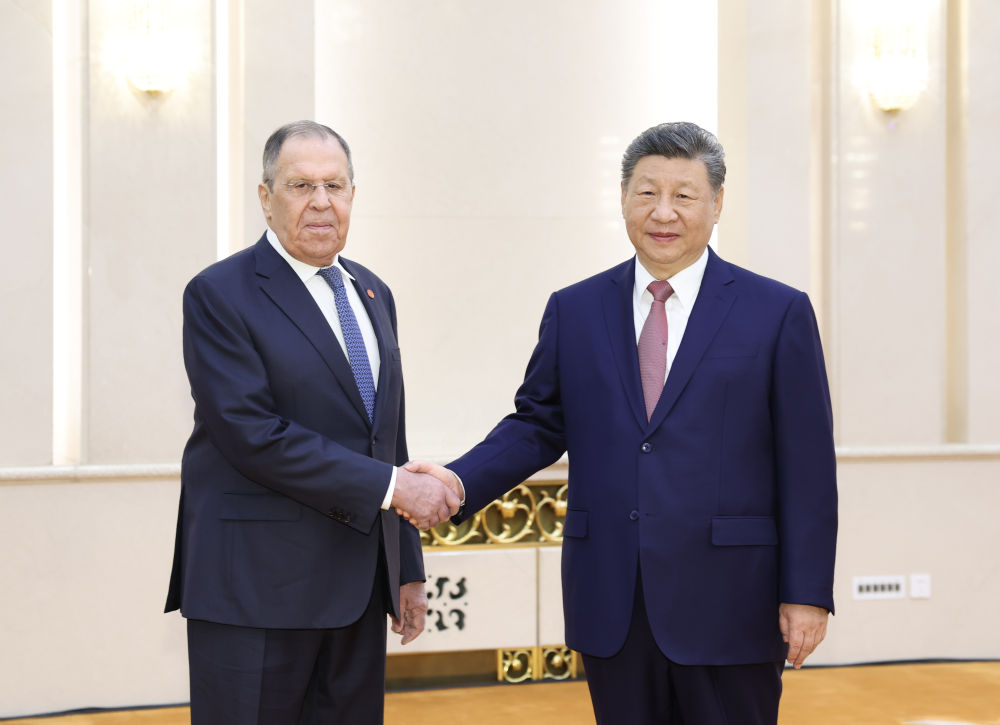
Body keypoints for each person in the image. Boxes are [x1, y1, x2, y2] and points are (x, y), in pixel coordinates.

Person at [406, 122, 838, 724]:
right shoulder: (576, 309)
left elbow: (807, 466)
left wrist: (807, 592)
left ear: (717, 203)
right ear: (623, 197)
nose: (663, 212)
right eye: (647, 193)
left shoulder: (777, 311)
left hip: (732, 599)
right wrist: (457, 480)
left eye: (684, 195)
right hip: (613, 599)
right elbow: (537, 424)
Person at [165, 120, 460, 724]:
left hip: (357, 591)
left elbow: (387, 439)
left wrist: (405, 569)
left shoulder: (372, 292)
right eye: (300, 186)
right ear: (266, 197)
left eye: (335, 185)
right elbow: (251, 433)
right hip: (254, 592)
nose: (321, 202)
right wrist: (393, 488)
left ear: (353, 194)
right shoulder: (219, 294)